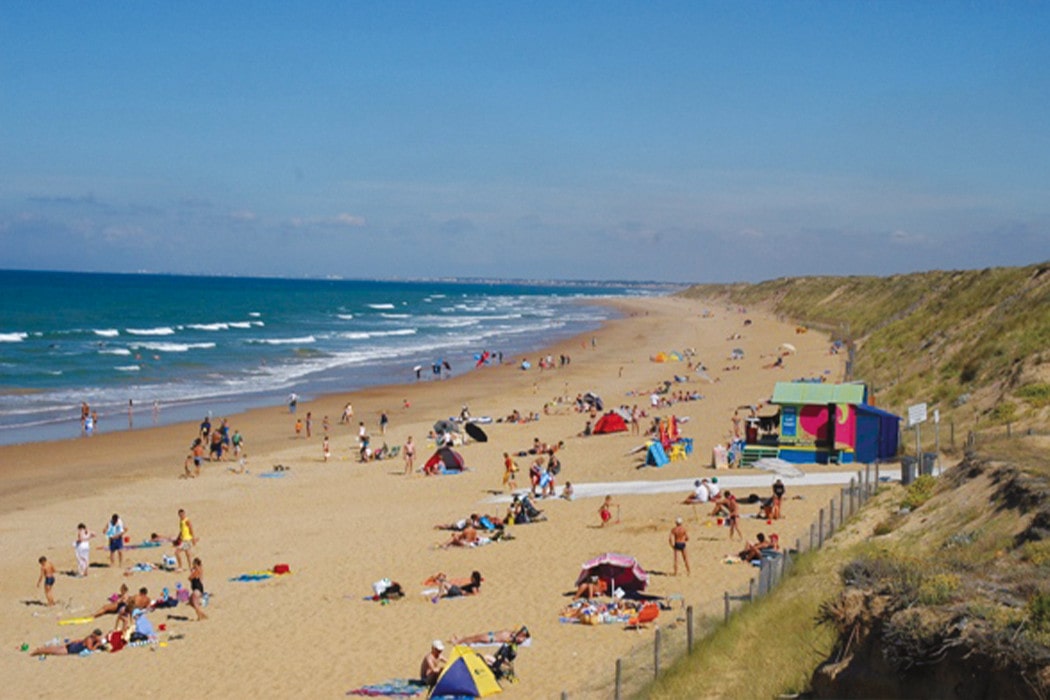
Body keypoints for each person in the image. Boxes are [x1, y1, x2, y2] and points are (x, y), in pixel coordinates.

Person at [31, 629, 104, 657]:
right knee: (53, 651)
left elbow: (80, 640)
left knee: (55, 648)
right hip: (72, 649)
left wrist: (72, 641)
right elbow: (90, 649)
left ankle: (39, 650)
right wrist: (97, 645)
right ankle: (37, 651)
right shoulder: (90, 640)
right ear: (95, 636)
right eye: (98, 637)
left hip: (74, 645)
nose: (99, 638)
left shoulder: (90, 638)